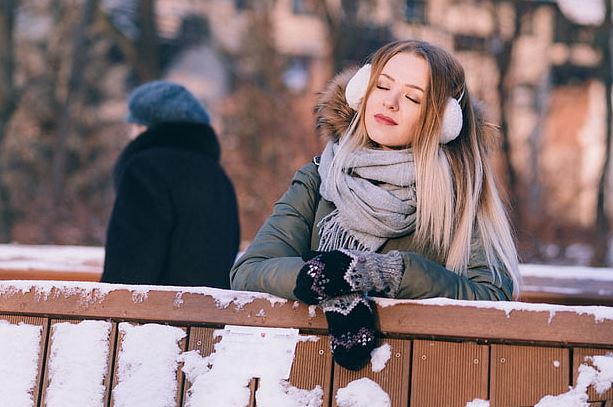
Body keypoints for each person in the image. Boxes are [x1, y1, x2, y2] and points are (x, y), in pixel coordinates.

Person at [230, 40, 520, 370]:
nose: (390, 102)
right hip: (304, 376)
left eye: (412, 97)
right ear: (361, 92)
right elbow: (250, 270)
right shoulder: (318, 178)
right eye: (381, 85)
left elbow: (492, 298)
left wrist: (391, 273)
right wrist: (328, 279)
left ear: (443, 122)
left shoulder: (461, 195)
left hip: (418, 379)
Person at [102, 80, 240, 289]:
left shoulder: (144, 170)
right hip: (211, 316)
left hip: (154, 318)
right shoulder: (218, 177)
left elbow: (128, 269)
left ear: (144, 128)